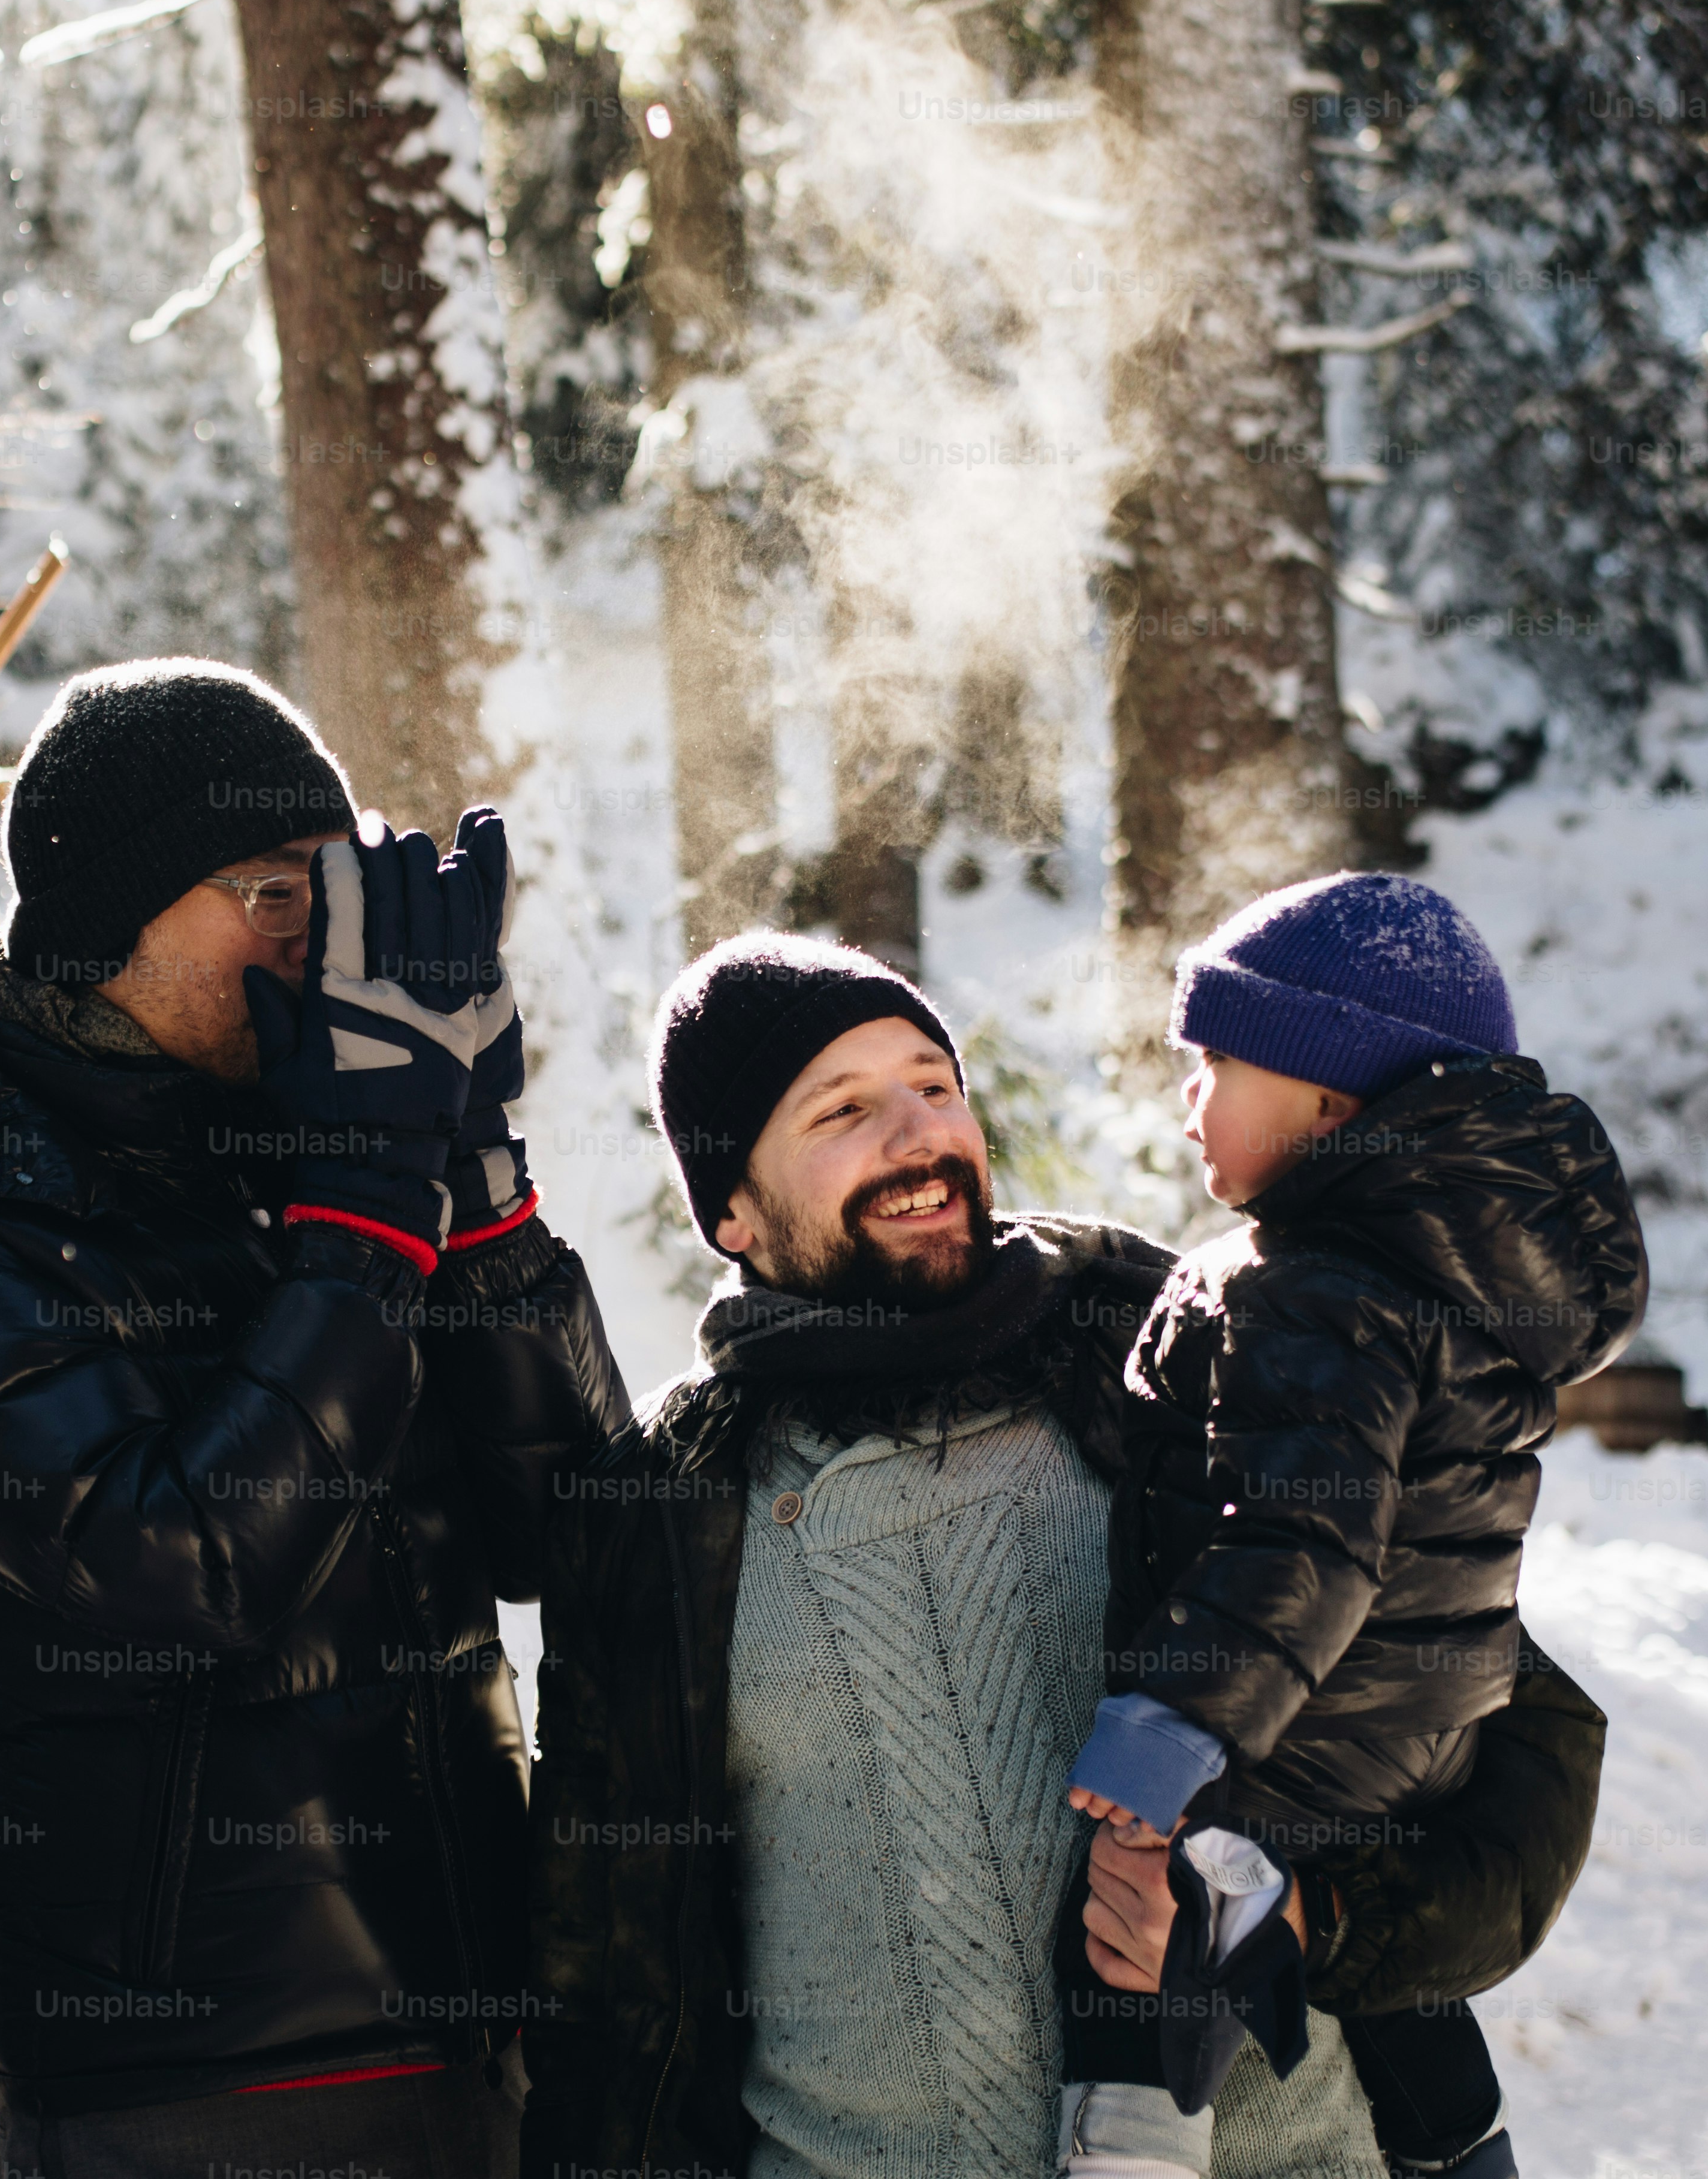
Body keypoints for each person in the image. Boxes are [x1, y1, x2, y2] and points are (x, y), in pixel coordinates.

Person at [520, 932, 1612, 2179]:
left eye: (937, 1086)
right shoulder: (661, 1516)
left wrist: (1311, 1920)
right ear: (732, 1206)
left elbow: (1516, 1745)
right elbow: (610, 1990)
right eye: (845, 1110)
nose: (920, 1135)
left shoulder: (1189, 1358)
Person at [0, 659, 627, 2178]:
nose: (317, 942)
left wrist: (477, 1184)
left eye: (333, 888)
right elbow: (189, 1572)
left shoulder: (320, 1154)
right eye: (266, 894)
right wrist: (368, 1224)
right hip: (184, 2095)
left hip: (482, 2033)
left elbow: (587, 1544)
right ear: (103, 926)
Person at [1056, 872, 1647, 2179]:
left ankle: (1130, 2145)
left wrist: (1168, 1728)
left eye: (1216, 1059)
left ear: (1331, 1098)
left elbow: (1304, 1545)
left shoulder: (1308, 1292)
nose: (1190, 1094)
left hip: (1294, 1741)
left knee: (1129, 1927)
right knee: (1405, 2005)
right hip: (1426, 1737)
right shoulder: (1455, 1287)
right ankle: (1458, 2147)